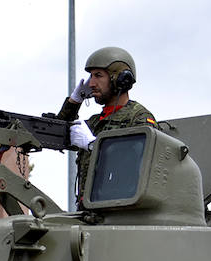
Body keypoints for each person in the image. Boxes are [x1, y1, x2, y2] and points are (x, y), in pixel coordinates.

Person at [56, 46, 159, 205]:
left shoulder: (139, 118)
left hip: (120, 210)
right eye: (91, 76)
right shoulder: (95, 122)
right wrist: (75, 101)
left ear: (120, 79)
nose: (91, 83)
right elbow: (58, 133)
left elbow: (137, 164)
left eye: (98, 76)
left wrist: (93, 145)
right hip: (88, 209)